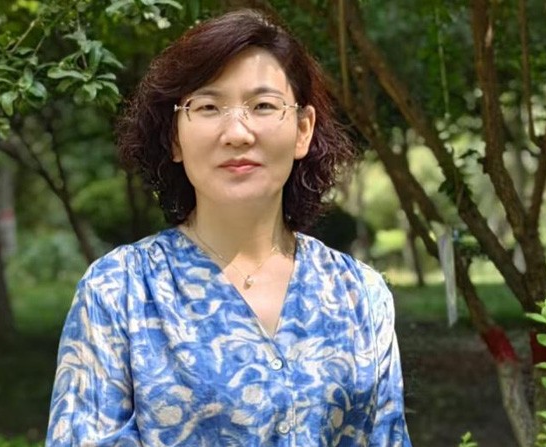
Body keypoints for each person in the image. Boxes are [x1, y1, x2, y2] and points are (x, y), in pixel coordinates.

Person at [46, 8, 412, 447]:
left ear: (303, 130)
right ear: (175, 137)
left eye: (263, 106)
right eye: (208, 106)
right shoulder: (119, 292)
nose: (237, 132)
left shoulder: (359, 295)